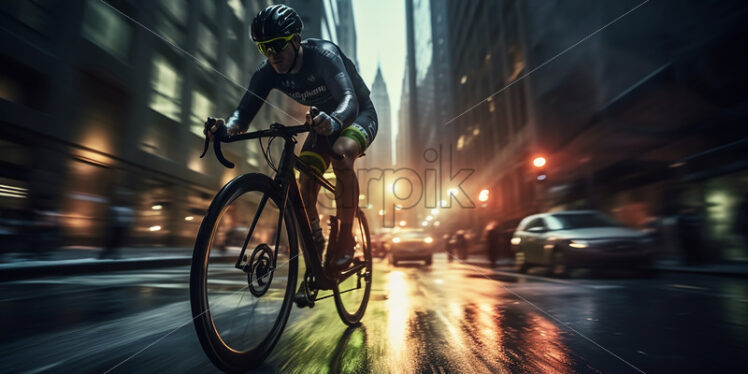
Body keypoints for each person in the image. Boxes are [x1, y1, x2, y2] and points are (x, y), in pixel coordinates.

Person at [205, 5, 377, 272]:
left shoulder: (323, 55)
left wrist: (334, 121)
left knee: (341, 153)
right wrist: (226, 127)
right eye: (264, 48)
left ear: (296, 40)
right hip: (321, 123)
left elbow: (349, 100)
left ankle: (345, 237)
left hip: (357, 114)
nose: (272, 55)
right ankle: (315, 241)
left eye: (277, 45)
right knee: (305, 177)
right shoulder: (267, 72)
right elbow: (243, 113)